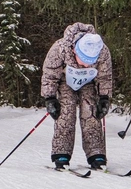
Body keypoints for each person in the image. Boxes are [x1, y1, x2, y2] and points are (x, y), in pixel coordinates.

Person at [41, 23, 113, 170]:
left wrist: (104, 97)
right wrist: (50, 98)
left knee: (91, 112)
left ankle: (96, 154)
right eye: (85, 60)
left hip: (88, 83)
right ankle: (62, 153)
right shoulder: (60, 48)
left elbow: (105, 76)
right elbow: (49, 74)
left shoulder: (102, 51)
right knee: (66, 111)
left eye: (91, 62)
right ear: (75, 51)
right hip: (64, 82)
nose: (87, 65)